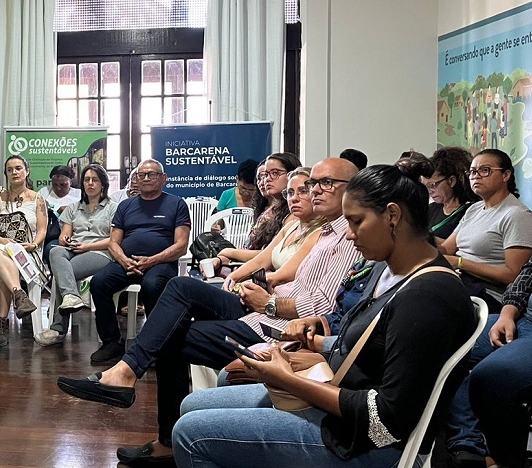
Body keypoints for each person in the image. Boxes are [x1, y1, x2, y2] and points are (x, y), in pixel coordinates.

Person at [167, 161, 476, 468]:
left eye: (356, 222)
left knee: (190, 433)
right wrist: (319, 336)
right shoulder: (388, 267)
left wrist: (289, 380)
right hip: (341, 399)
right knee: (192, 404)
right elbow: (371, 342)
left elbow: (386, 422)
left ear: (393, 216)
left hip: (362, 440)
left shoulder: (427, 298)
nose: (350, 235)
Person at [57, 157, 361, 466]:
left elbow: (322, 305)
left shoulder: (348, 235)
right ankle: (126, 373)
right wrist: (237, 276)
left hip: (272, 324)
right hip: (260, 308)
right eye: (310, 185)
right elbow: (271, 265)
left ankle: (154, 421)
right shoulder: (320, 231)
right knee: (179, 288)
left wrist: (266, 300)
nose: (312, 192)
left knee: (167, 328)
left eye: (323, 184)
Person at [444, 231, 532, 468]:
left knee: (490, 376)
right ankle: (468, 446)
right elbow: (531, 271)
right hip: (525, 317)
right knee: (443, 343)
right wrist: (508, 312)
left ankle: (501, 460)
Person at [87, 159, 192, 366]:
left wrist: (151, 260)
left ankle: (154, 345)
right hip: (127, 263)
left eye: (151, 174)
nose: (145, 178)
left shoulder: (176, 204)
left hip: (161, 263)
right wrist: (124, 260)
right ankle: (111, 344)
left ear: (163, 178)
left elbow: (181, 245)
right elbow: (114, 243)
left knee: (153, 286)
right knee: (98, 283)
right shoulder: (126, 206)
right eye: (141, 175)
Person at [439, 148, 532, 297]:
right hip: (458, 279)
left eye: (484, 170)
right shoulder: (474, 209)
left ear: (505, 175)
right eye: (473, 172)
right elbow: (446, 249)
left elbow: (513, 275)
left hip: (486, 294)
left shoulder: (517, 215)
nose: (476, 176)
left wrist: (460, 263)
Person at [36, 164, 118, 347]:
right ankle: (71, 297)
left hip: (100, 251)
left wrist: (88, 246)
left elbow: (114, 240)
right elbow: (64, 234)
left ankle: (58, 329)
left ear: (103, 184)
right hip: (74, 248)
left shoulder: (113, 208)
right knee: (56, 249)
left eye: (94, 180)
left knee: (64, 272)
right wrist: (65, 239)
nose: (90, 183)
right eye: (87, 180)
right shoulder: (73, 207)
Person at [208, 167, 325, 287]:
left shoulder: (320, 232)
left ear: (316, 194)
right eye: (290, 193)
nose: (294, 198)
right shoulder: (290, 226)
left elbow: (281, 277)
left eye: (303, 191)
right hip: (263, 287)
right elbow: (259, 261)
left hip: (278, 297)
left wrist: (240, 284)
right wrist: (231, 279)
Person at [0, 155, 47, 348]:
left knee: (5, 263)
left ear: (27, 171)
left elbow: (43, 230)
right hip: (0, 247)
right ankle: (19, 294)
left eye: (18, 168)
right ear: (6, 174)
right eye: (10, 170)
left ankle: (1, 323)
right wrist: (2, 240)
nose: (14, 172)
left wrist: (34, 245)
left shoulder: (37, 199)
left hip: (27, 252)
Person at [213, 153, 301, 267]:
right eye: (264, 175)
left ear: (291, 175)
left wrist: (230, 252)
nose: (266, 180)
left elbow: (269, 255)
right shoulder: (268, 209)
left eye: (275, 173)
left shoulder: (293, 215)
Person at [425, 146, 478, 241]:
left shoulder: (472, 211)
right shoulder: (430, 210)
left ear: (451, 181)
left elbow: (462, 245)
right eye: (426, 186)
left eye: (433, 185)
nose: (429, 191)